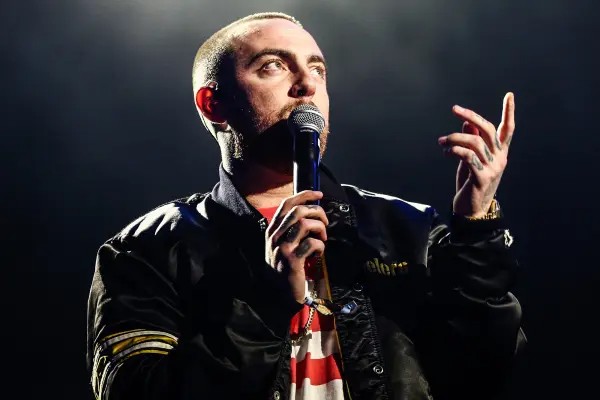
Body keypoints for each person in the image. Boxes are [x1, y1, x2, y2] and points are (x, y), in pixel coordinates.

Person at [86, 11, 526, 400]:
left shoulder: (408, 229)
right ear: (213, 104)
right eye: (273, 66)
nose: (307, 84)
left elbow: (483, 371)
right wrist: (270, 301)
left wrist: (476, 227)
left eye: (317, 69)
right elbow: (136, 390)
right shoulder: (146, 251)